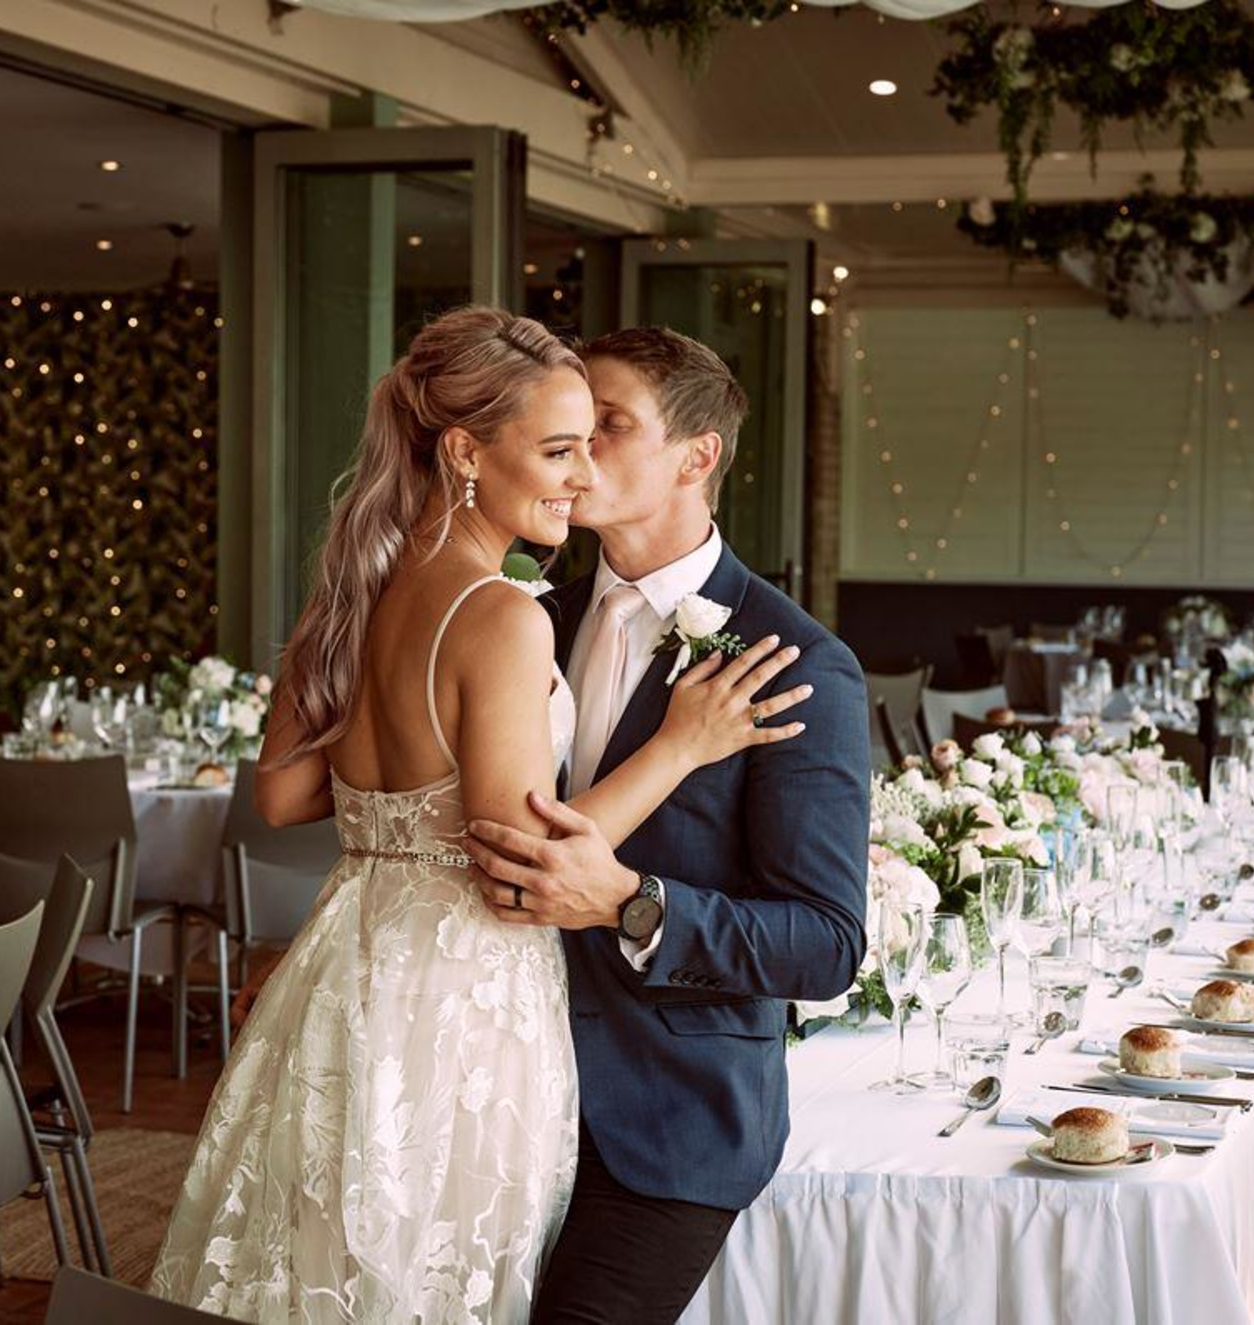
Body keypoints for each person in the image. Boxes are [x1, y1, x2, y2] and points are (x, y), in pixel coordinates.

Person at [148, 308, 812, 1323]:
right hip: (455, 999)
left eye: (589, 445)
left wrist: (412, 777)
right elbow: (519, 870)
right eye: (555, 449)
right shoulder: (500, 612)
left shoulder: (356, 589)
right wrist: (677, 745)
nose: (577, 475)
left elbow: (282, 794)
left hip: (344, 969)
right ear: (464, 450)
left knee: (316, 1259)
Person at [461, 327, 870, 1325]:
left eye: (607, 425)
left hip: (665, 1120)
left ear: (696, 457)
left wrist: (633, 902)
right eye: (561, 426)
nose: (574, 451)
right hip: (488, 1089)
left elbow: (824, 944)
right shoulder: (520, 613)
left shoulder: (794, 663)